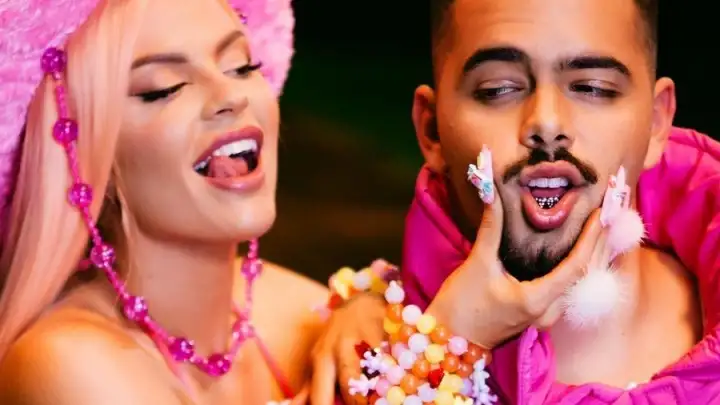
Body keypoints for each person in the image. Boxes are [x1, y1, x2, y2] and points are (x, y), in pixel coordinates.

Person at [309, 0, 720, 403]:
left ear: (655, 122)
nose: (547, 123)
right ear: (432, 130)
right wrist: (441, 349)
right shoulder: (371, 360)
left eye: (592, 88)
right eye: (498, 90)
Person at [0, 0, 327, 404]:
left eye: (241, 67)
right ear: (83, 156)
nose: (231, 95)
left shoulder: (303, 311)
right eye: (164, 89)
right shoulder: (64, 363)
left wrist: (378, 323)